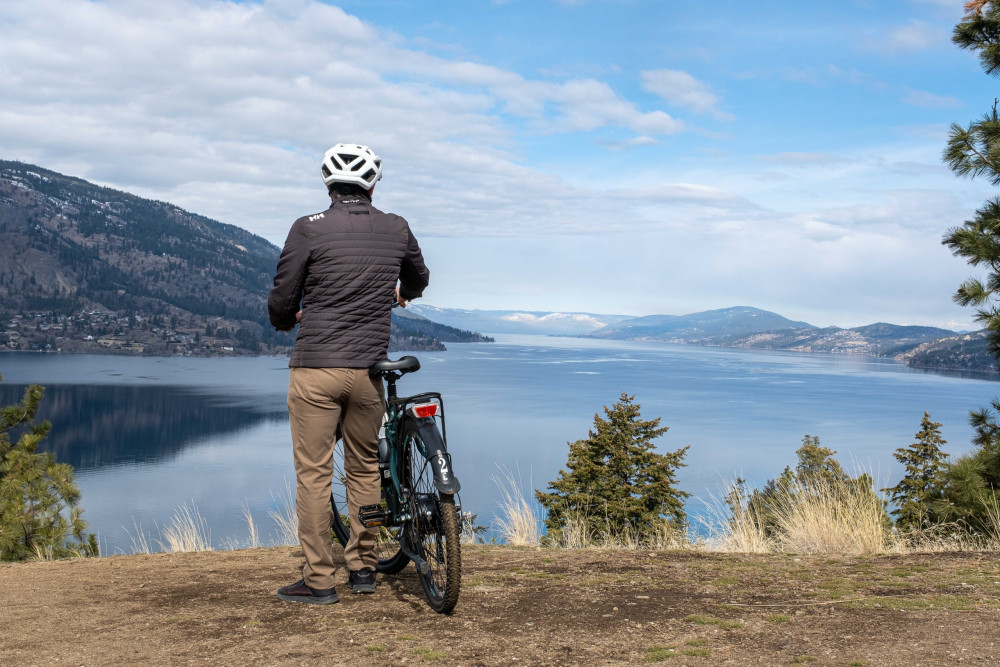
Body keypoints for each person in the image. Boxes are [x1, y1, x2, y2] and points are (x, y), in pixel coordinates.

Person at [268, 143, 429, 605]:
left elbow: (283, 295)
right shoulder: (395, 227)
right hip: (367, 371)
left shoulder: (308, 228)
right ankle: (362, 567)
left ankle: (319, 580)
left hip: (316, 368)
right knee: (364, 469)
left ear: (327, 182)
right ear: (373, 184)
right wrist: (402, 294)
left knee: (315, 474)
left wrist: (286, 319)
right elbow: (418, 277)